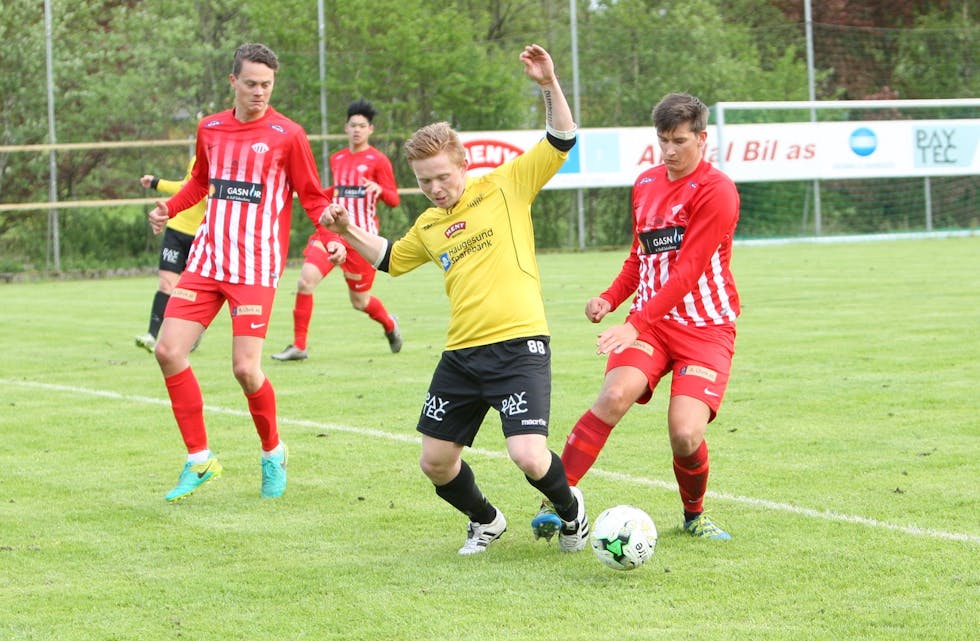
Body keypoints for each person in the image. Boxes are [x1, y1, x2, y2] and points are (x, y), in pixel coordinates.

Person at [320, 44, 588, 555]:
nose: (436, 188)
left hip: (519, 344)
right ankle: (486, 520)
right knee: (435, 462)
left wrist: (547, 83)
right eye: (425, 182)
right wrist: (348, 229)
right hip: (462, 355)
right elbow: (392, 259)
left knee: (529, 456)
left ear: (462, 163)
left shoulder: (506, 184)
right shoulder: (428, 223)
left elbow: (562, 137)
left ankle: (572, 512)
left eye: (443, 176)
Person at [536, 92, 740, 541]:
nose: (669, 151)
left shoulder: (717, 191)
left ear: (702, 139)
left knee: (685, 434)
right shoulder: (646, 184)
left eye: (680, 141)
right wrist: (610, 299)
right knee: (613, 396)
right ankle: (558, 500)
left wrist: (633, 323)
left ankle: (694, 516)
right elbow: (640, 257)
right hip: (652, 325)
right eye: (663, 140)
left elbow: (688, 271)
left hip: (705, 330)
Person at [146, 43, 344, 502]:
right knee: (168, 350)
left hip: (254, 267)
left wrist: (329, 237)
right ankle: (200, 460)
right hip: (207, 260)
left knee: (245, 370)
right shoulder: (210, 128)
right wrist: (168, 208)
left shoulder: (287, 134)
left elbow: (312, 195)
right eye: (251, 83)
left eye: (267, 85)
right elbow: (199, 183)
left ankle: (273, 452)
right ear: (232, 81)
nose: (259, 92)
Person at [272, 98, 402, 361]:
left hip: (361, 238)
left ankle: (389, 324)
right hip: (332, 231)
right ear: (346, 128)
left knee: (360, 302)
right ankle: (299, 346)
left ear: (370, 130)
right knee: (305, 280)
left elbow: (394, 199)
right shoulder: (338, 158)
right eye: (353, 125)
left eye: (362, 126)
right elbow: (338, 191)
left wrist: (380, 190)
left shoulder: (379, 161)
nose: (357, 130)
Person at [136, 158, 206, 353]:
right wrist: (156, 183)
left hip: (200, 234)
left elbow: (195, 190)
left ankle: (194, 330)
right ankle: (151, 336)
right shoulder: (197, 159)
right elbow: (186, 187)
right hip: (176, 230)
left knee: (188, 290)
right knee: (166, 283)